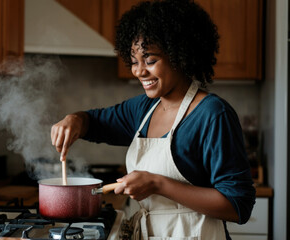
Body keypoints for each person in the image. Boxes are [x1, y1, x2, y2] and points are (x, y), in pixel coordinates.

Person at [50, 0, 256, 239]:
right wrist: (74, 119)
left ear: (180, 55)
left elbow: (238, 205)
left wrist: (158, 184)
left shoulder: (212, 114)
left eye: (150, 60)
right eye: (134, 61)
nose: (139, 71)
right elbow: (94, 123)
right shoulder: (144, 108)